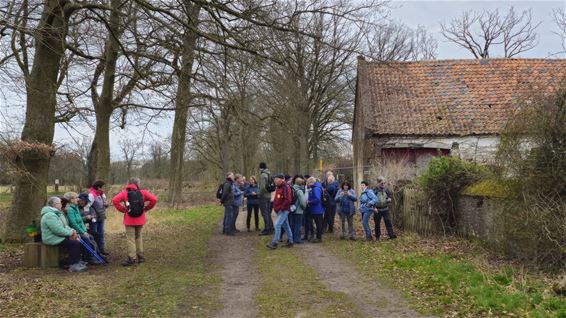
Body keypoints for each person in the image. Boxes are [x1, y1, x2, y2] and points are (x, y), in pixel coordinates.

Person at [112, 177, 158, 266]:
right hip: (140, 219)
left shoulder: (125, 193)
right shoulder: (143, 192)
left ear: (129, 183)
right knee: (138, 237)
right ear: (138, 184)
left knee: (131, 239)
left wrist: (123, 210)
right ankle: (141, 257)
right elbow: (154, 199)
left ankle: (132, 258)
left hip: (129, 219)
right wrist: (146, 208)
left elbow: (115, 200)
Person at [40, 197, 86, 272]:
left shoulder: (56, 213)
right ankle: (73, 265)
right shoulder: (49, 215)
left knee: (77, 240)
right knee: (73, 244)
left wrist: (72, 231)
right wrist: (70, 233)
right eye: (60, 203)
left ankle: (76, 261)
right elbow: (57, 230)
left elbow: (64, 226)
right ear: (55, 205)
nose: (61, 205)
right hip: (51, 238)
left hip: (57, 236)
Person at [64, 192, 102, 264]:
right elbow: (73, 223)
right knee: (86, 238)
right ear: (71, 200)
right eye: (76, 198)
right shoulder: (70, 209)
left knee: (90, 237)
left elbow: (81, 221)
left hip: (80, 230)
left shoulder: (75, 207)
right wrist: (82, 232)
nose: (77, 199)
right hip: (74, 231)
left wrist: (84, 231)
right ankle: (89, 258)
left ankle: (96, 254)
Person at [266, 174, 294, 249]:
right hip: (279, 210)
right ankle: (291, 241)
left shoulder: (286, 187)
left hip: (284, 210)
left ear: (282, 179)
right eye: (274, 179)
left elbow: (288, 200)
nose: (275, 180)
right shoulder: (278, 187)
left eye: (276, 179)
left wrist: (281, 208)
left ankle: (275, 242)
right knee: (286, 226)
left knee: (277, 224)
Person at [87, 180, 109, 256]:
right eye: (103, 187)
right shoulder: (91, 195)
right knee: (94, 234)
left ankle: (101, 249)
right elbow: (87, 207)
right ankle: (95, 251)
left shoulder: (102, 194)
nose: (105, 188)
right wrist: (87, 218)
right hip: (94, 218)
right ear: (98, 187)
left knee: (101, 234)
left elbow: (104, 203)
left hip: (101, 217)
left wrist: (106, 204)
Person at [258, 163, 274, 236]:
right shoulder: (269, 174)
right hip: (269, 196)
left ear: (261, 168)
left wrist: (259, 195)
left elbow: (262, 188)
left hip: (263, 197)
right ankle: (271, 227)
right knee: (268, 212)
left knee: (264, 213)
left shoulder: (263, 175)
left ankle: (267, 229)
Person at [290, 176, 307, 244]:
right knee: (298, 225)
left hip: (292, 209)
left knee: (292, 224)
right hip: (298, 210)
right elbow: (302, 202)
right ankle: (297, 239)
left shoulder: (291, 189)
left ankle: (292, 237)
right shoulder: (299, 191)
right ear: (301, 184)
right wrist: (304, 207)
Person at [306, 176, 324, 243]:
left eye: (308, 183)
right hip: (316, 209)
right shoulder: (316, 187)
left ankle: (319, 238)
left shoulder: (316, 189)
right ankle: (317, 237)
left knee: (318, 223)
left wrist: (309, 202)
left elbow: (317, 199)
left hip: (317, 209)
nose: (307, 185)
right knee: (317, 223)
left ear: (311, 182)